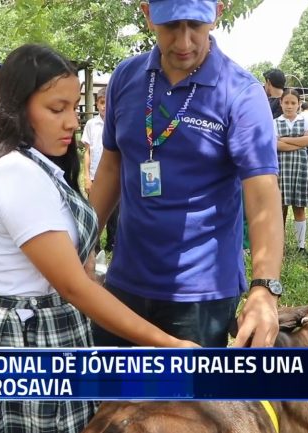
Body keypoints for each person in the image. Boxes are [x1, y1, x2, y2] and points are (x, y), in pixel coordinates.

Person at [0, 43, 196, 433]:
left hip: (53, 329)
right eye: (55, 109)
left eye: (73, 109)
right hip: (30, 340)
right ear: (16, 108)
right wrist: (166, 342)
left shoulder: (37, 165)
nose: (71, 123)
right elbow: (74, 286)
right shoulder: (16, 175)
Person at [88, 0, 284, 349]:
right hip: (124, 284)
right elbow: (111, 167)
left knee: (184, 404)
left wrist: (265, 288)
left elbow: (262, 194)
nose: (183, 42)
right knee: (111, 401)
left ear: (218, 13)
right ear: (147, 14)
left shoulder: (240, 92)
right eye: (171, 26)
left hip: (200, 295)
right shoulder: (126, 78)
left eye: (195, 25)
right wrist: (83, 246)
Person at [275, 89, 308, 253]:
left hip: (300, 167)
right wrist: (299, 142)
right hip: (281, 167)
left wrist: (284, 139)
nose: (289, 106)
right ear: (281, 103)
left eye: (293, 103)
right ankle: (279, 243)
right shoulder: (274, 122)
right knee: (280, 207)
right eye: (286, 102)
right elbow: (275, 145)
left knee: (299, 207)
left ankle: (301, 245)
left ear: (299, 104)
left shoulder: (305, 119)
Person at [82, 86, 118, 251]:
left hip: (113, 175)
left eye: (107, 102)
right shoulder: (91, 124)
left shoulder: (117, 121)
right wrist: (87, 177)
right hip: (95, 175)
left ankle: (112, 243)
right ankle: (93, 246)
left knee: (115, 213)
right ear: (97, 104)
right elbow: (87, 151)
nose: (104, 106)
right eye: (102, 102)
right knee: (93, 211)